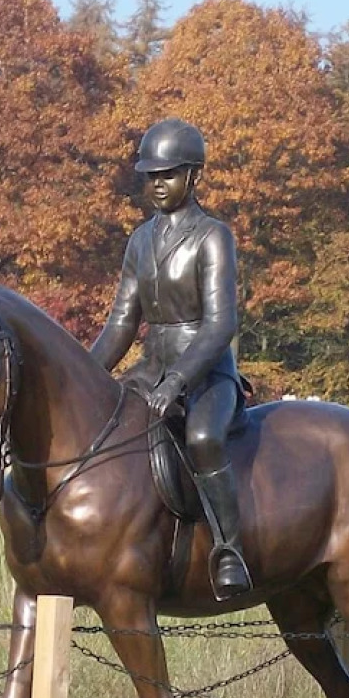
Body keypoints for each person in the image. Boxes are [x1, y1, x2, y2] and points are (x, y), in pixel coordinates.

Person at [91, 117, 252, 599]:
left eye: (168, 174)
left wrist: (179, 380)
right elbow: (122, 322)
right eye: (151, 176)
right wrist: (84, 375)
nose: (157, 184)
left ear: (193, 175)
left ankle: (229, 550)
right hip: (150, 369)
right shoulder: (139, 241)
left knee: (202, 438)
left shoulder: (213, 236)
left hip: (205, 372)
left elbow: (221, 324)